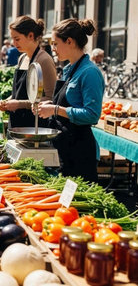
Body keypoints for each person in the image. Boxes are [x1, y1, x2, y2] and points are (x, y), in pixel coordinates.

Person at [37, 18, 104, 183]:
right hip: (65, 146)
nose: (53, 49)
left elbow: (92, 115)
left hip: (80, 150)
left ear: (69, 41)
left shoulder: (90, 73)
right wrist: (49, 105)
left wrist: (55, 109)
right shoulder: (68, 69)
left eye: (55, 43)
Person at [0, 16, 57, 128]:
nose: (13, 43)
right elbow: (20, 92)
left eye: (17, 39)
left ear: (30, 36)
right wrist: (7, 101)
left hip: (34, 125)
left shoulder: (44, 60)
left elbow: (51, 98)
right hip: (16, 123)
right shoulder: (22, 58)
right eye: (12, 39)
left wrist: (19, 104)